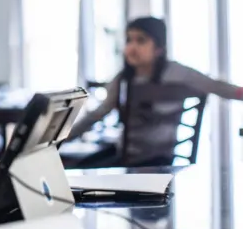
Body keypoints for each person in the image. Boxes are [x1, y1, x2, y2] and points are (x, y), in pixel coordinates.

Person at [69, 16, 243, 166]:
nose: (132, 48)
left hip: (149, 161)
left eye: (141, 40)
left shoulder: (177, 74)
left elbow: (217, 87)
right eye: (129, 40)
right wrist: (62, 137)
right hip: (129, 158)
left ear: (159, 48)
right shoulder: (123, 78)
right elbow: (97, 114)